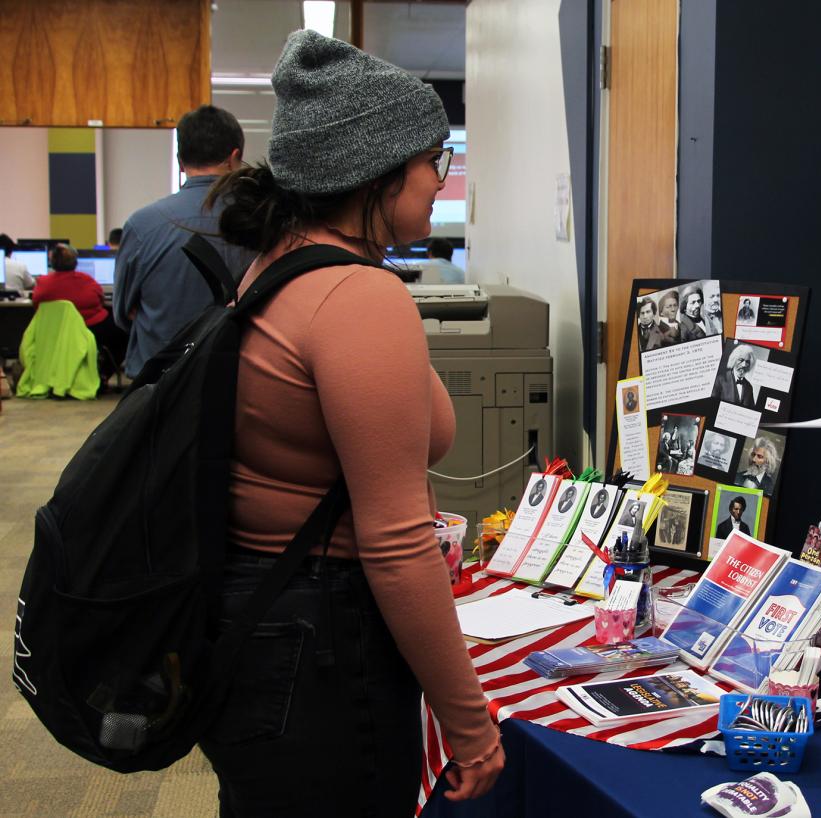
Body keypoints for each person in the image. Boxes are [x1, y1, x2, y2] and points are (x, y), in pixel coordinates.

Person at [197, 30, 502, 814]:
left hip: (263, 629)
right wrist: (471, 727)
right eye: (433, 158)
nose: (443, 179)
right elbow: (396, 541)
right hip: (323, 644)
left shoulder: (283, 263)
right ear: (374, 168)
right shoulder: (357, 298)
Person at [113, 104, 256, 378]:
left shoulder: (141, 225)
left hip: (157, 383)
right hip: (236, 379)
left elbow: (123, 313)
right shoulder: (261, 221)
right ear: (234, 156)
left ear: (180, 160)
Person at [31, 244, 128, 383]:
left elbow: (36, 305)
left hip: (54, 331)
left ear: (52, 263)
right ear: (76, 262)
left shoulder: (42, 283)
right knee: (124, 332)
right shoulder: (87, 281)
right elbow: (100, 300)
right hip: (89, 329)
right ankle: (103, 374)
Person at [712, 343, 758, 408]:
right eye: (741, 360)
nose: (744, 365)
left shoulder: (749, 387)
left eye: (747, 362)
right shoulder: (720, 380)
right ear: (734, 360)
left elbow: (752, 409)